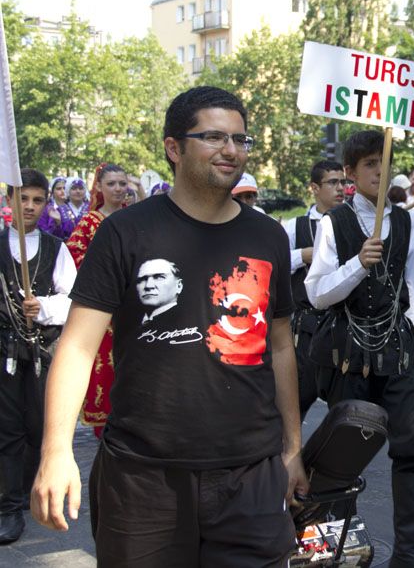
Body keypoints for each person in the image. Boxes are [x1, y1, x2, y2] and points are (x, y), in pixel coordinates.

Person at [31, 85, 307, 566]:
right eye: (215, 137)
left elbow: (280, 346)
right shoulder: (125, 232)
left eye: (241, 140)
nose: (231, 150)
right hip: (142, 480)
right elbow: (76, 347)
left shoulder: (267, 235)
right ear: (173, 148)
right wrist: (56, 450)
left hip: (251, 480)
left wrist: (292, 449)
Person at [305, 131, 414, 568]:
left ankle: (410, 553)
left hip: (397, 351)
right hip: (349, 353)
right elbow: (318, 294)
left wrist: (409, 335)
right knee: (344, 451)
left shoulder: (406, 220)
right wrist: (358, 263)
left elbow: (411, 284)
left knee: (413, 448)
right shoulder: (332, 223)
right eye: (371, 164)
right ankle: (334, 550)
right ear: (352, 173)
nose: (380, 171)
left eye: (385, 163)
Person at [0, 170, 75, 545]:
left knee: (38, 425)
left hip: (42, 351)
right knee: (7, 429)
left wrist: (43, 306)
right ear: (9, 200)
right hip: (3, 353)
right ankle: (8, 505)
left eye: (37, 200)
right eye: (22, 198)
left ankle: (35, 489)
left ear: (46, 203)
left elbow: (73, 299)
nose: (29, 206)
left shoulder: (55, 248)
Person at [65, 163, 128, 436]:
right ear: (99, 187)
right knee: (104, 372)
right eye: (111, 183)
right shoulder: (89, 222)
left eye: (122, 183)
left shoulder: (135, 218)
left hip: (134, 311)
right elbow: (74, 258)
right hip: (103, 313)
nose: (117, 189)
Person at [284, 160, 346, 419]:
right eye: (333, 182)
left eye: (343, 182)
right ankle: (288, 457)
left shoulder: (352, 223)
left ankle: (328, 460)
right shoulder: (294, 227)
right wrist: (304, 255)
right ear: (314, 187)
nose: (340, 188)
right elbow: (273, 265)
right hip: (305, 330)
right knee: (294, 408)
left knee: (346, 415)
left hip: (342, 329)